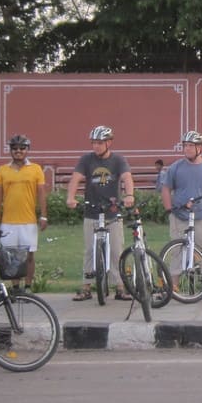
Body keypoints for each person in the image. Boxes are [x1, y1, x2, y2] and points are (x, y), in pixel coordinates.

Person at [66, 125, 136, 301]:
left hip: (112, 212)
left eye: (100, 143)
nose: (96, 146)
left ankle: (120, 287)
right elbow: (76, 178)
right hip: (92, 210)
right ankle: (86, 287)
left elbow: (127, 177)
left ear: (109, 142)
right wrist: (70, 197)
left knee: (116, 250)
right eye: (94, 143)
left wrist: (129, 195)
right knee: (90, 250)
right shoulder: (86, 160)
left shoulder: (118, 160)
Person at [160, 130, 202, 299]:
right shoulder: (176, 167)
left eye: (191, 146)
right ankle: (172, 286)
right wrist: (169, 210)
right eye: (185, 146)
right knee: (176, 250)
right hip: (180, 216)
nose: (187, 149)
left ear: (200, 148)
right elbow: (166, 188)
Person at [0, 134, 48, 293]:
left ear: (27, 150)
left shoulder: (36, 169)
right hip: (8, 221)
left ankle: (28, 286)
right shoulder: (3, 170)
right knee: (11, 257)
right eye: (15, 149)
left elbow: (41, 194)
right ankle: (15, 287)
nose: (18, 151)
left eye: (22, 148)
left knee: (29, 256)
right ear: (10, 151)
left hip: (28, 221)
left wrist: (43, 215)